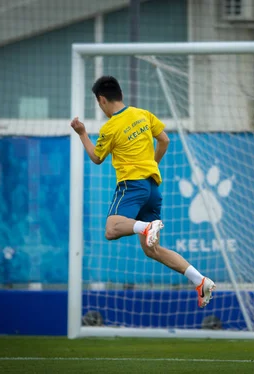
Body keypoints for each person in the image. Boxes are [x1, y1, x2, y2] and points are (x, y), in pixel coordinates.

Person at [70, 75, 215, 308]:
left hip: (132, 186)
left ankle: (146, 227)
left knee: (110, 229)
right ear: (122, 96)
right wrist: (152, 165)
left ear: (102, 100)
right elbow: (165, 140)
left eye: (99, 104)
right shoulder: (143, 114)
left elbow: (97, 158)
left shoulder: (110, 127)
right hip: (152, 188)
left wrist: (82, 134)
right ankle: (200, 281)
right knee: (152, 249)